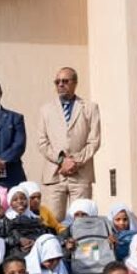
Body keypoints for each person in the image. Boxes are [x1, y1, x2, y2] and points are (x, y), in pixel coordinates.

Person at [37, 67, 101, 221]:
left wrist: (75, 162)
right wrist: (62, 161)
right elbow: (42, 142)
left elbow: (94, 140)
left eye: (65, 81)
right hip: (55, 175)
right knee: (51, 221)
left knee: (82, 220)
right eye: (57, 82)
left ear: (75, 83)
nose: (60, 85)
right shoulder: (46, 110)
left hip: (80, 174)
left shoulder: (90, 108)